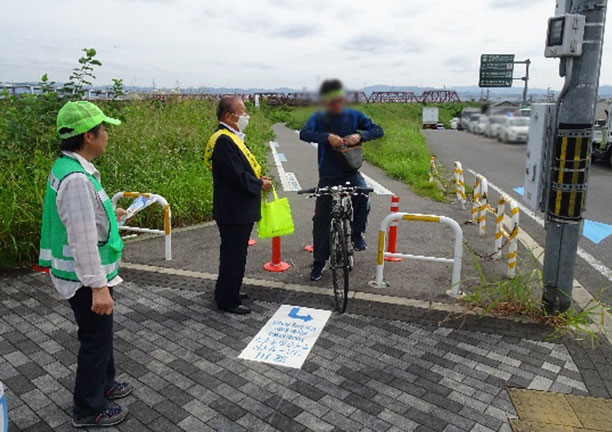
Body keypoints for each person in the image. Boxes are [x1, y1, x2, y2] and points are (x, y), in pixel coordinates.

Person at [38, 101, 132, 428]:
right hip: (83, 278)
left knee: (100, 337)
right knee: (94, 341)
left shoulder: (69, 167)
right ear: (88, 136)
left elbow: (82, 217)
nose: (107, 134)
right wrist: (99, 289)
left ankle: (106, 383)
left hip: (79, 275)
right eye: (103, 129)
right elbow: (81, 239)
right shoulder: (77, 178)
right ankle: (88, 408)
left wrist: (112, 214)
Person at [300, 79, 384, 281]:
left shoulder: (354, 115)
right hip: (328, 176)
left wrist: (360, 136)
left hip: (351, 173)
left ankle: (356, 233)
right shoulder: (319, 117)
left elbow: (378, 130)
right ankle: (319, 262)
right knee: (321, 219)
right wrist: (327, 137)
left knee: (363, 195)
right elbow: (304, 134)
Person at [205, 96, 272, 314]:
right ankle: (228, 300)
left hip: (237, 208)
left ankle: (228, 290)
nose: (245, 116)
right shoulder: (224, 140)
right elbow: (237, 176)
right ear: (228, 116)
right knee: (233, 255)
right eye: (242, 112)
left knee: (235, 253)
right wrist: (259, 184)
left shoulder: (232, 136)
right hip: (234, 210)